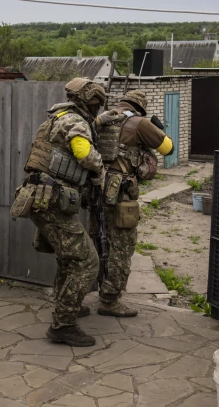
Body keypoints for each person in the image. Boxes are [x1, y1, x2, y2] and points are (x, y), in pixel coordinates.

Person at [13, 78, 119, 347]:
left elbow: (75, 133)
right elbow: (84, 153)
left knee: (68, 258)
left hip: (43, 197)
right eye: (97, 103)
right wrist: (100, 167)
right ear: (88, 101)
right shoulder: (75, 122)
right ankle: (63, 324)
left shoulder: (60, 116)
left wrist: (102, 120)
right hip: (52, 200)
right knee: (87, 261)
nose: (97, 108)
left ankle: (68, 305)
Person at [90, 89, 174, 317]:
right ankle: (110, 301)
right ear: (141, 107)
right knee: (122, 246)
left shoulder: (102, 120)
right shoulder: (139, 123)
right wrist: (155, 128)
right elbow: (169, 148)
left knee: (97, 243)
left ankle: (79, 295)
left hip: (95, 190)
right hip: (120, 194)